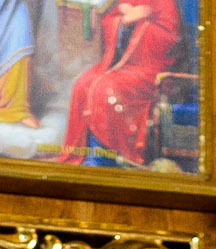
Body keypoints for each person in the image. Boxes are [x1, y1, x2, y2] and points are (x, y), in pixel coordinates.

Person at [62, 0, 184, 164]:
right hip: (120, 63)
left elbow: (169, 37)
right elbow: (108, 22)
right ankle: (85, 154)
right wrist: (123, 21)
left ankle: (107, 159)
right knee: (82, 84)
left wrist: (141, 21)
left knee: (105, 88)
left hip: (149, 68)